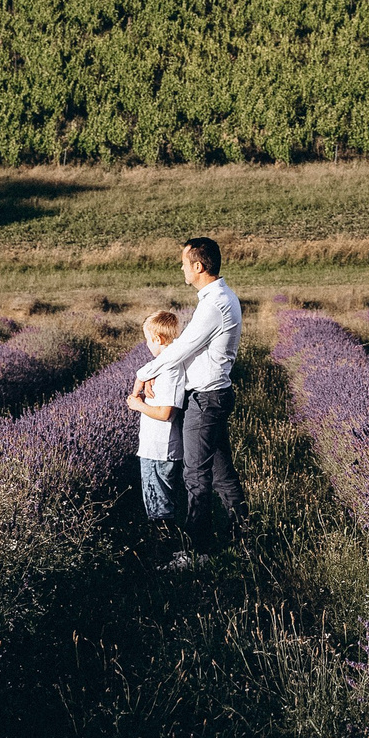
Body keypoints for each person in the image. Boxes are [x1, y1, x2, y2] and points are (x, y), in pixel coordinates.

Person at [132, 236, 242, 565]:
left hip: (206, 399)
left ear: (198, 266)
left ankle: (198, 551)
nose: (181, 268)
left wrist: (143, 372)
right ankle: (243, 537)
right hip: (214, 395)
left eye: (184, 263)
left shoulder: (215, 303)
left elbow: (182, 347)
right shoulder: (221, 297)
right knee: (222, 473)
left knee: (196, 475)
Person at [126, 310, 186, 542]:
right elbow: (149, 368)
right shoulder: (166, 364)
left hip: (160, 450)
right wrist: (144, 377)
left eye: (148, 339)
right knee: (163, 502)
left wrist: (137, 404)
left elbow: (165, 413)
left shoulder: (170, 370)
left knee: (159, 507)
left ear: (158, 340)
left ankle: (165, 551)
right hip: (159, 448)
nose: (147, 344)